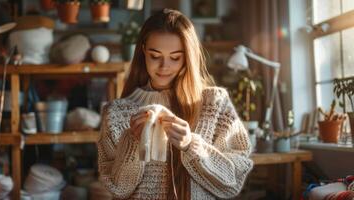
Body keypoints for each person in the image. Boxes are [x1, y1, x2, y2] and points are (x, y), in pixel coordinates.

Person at [97, 8, 253, 200]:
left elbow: (233, 181)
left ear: (188, 56)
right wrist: (133, 144)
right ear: (143, 50)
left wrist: (191, 145)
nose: (164, 67)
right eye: (155, 56)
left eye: (175, 57)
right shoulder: (116, 113)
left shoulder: (215, 104)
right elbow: (118, 189)